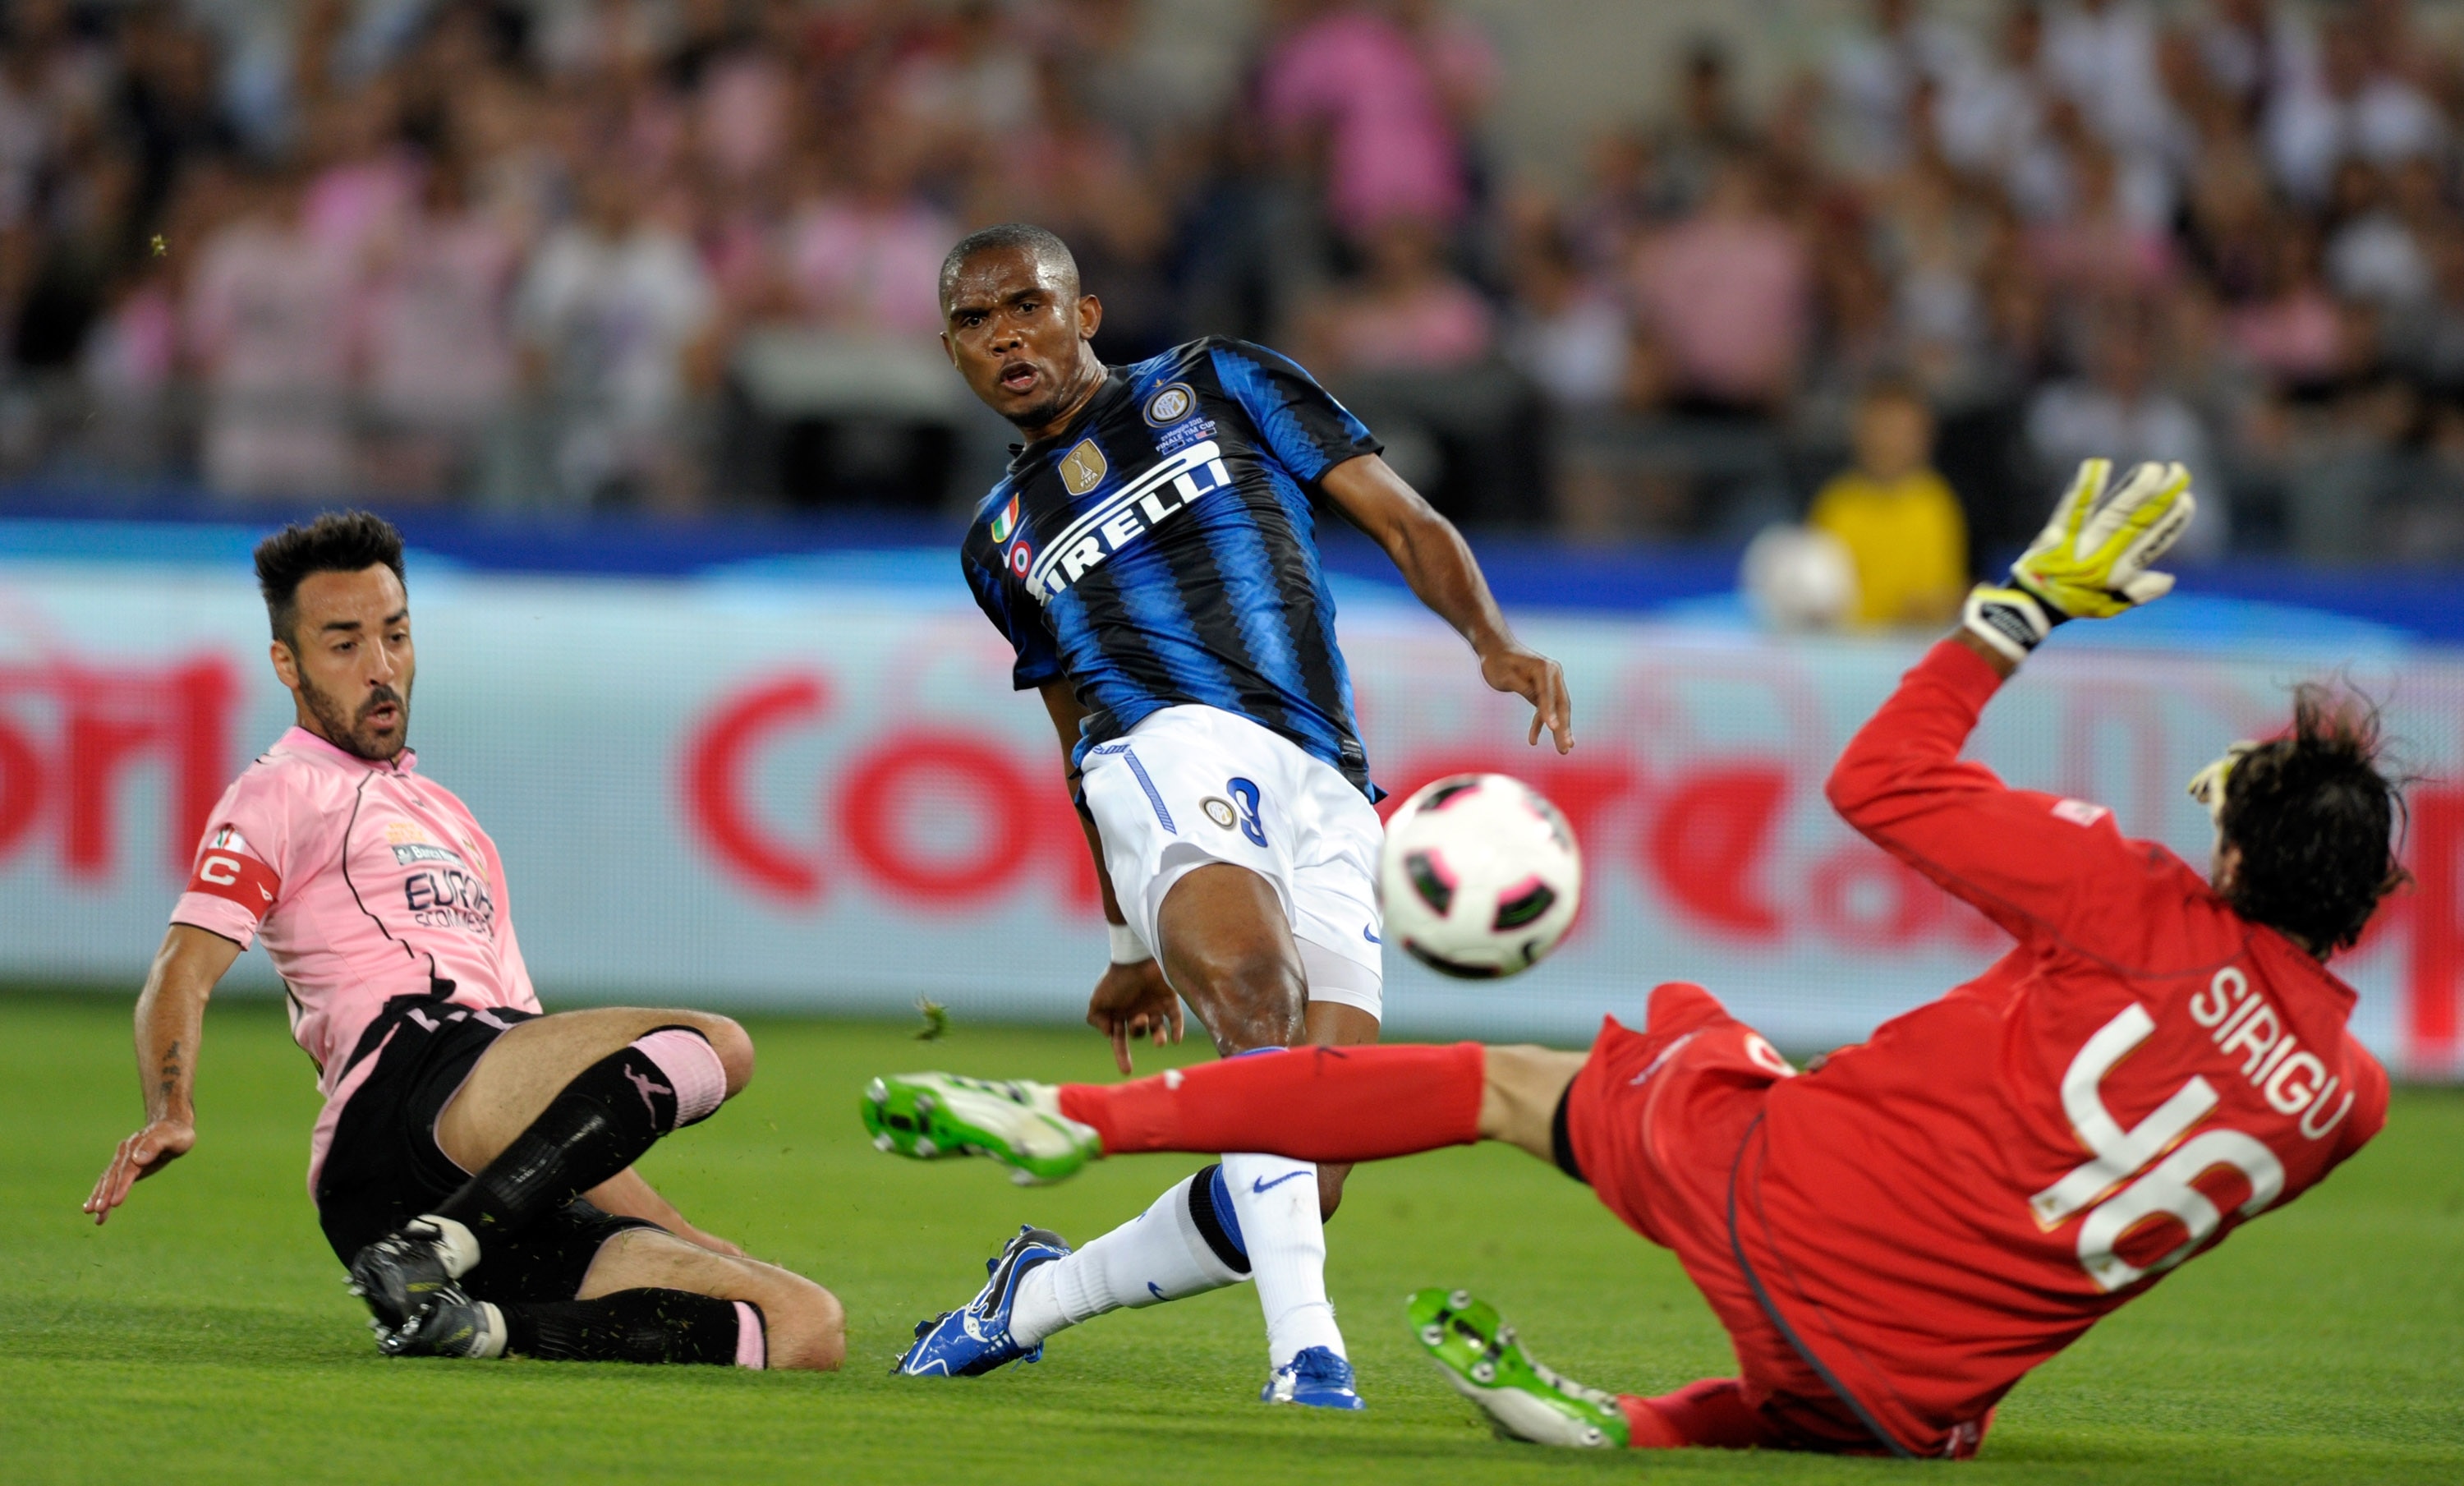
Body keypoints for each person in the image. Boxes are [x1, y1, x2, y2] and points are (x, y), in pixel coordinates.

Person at [868, 458, 2401, 1456]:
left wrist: (2018, 610)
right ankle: (1649, 1425)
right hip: (1919, 1389)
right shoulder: (2350, 1098)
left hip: (1787, 1198)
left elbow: (1881, 779)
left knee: (1512, 1080)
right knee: (1866, 1349)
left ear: (2234, 859)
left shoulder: (2140, 897)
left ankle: (1078, 1116)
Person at [910, 223, 1571, 1408]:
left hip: (1327, 780)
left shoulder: (1218, 380)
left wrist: (1492, 641)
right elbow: (1073, 736)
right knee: (1255, 1004)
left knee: (1307, 1166)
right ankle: (1308, 1354)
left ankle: (1033, 1300)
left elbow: (1404, 519)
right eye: (975, 321)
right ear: (953, 349)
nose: (1007, 336)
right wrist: (1128, 944)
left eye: (1029, 306)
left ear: (1087, 312)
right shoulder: (997, 542)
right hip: (1161, 746)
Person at [84, 511, 844, 1373]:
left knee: (804, 1327)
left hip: (447, 1175)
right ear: (287, 666)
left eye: (396, 635)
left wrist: (676, 1231)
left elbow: (557, 1116)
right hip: (401, 1094)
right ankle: (443, 1248)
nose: (380, 668)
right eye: (344, 644)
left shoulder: (457, 823)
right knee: (720, 1045)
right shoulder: (280, 791)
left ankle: (473, 1325)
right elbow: (182, 967)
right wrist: (169, 1110)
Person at [1808, 378, 1969, 628]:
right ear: (1858, 433)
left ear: (1925, 439)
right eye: (1881, 429)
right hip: (1840, 652)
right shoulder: (1837, 503)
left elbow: (1941, 595)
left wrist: (1932, 607)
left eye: (1901, 432)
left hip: (1910, 651)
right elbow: (1816, 591)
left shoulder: (1935, 504)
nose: (1889, 443)